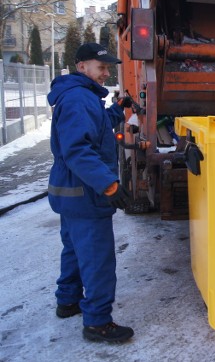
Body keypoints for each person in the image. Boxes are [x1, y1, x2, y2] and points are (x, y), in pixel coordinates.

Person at [47, 42, 134, 343]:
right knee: (97, 257)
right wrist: (109, 184)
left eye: (107, 69)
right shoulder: (78, 100)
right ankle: (97, 322)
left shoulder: (80, 97)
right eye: (101, 68)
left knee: (73, 249)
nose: (105, 74)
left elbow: (93, 130)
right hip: (85, 193)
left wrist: (117, 111)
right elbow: (78, 150)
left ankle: (67, 301)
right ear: (82, 66)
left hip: (71, 193)